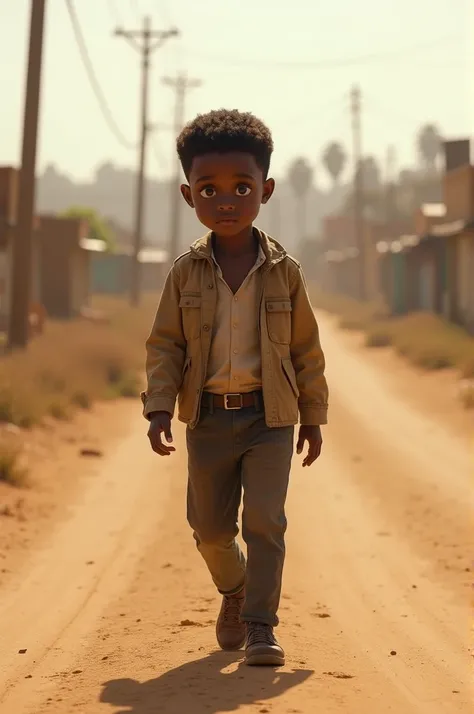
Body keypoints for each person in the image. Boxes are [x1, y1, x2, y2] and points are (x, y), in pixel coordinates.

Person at [142, 109, 328, 667]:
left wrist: (313, 418)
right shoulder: (185, 273)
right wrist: (157, 408)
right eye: (210, 190)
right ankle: (234, 589)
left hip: (269, 417)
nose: (226, 201)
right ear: (187, 195)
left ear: (265, 190)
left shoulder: (285, 272)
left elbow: (306, 350)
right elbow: (166, 345)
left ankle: (260, 627)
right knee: (211, 530)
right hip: (207, 419)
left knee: (266, 521)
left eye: (242, 187)